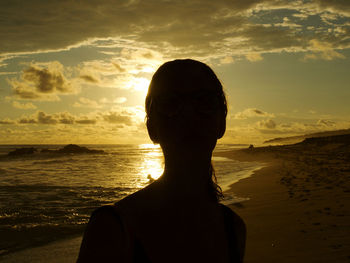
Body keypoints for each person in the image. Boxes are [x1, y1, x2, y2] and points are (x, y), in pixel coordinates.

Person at [77, 59, 246, 262]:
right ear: (151, 128)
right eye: (171, 103)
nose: (188, 114)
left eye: (204, 101)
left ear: (222, 122)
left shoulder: (233, 229)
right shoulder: (112, 229)